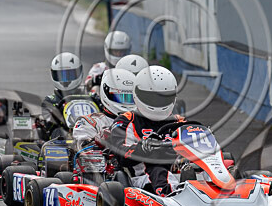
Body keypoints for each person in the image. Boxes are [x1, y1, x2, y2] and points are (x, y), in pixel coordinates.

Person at [108, 66, 182, 196]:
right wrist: (142, 148)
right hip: (143, 178)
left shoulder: (178, 121)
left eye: (163, 98)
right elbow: (120, 153)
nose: (158, 102)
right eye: (152, 98)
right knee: (158, 169)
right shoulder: (126, 120)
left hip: (178, 168)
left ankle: (214, 190)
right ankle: (175, 195)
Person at [72, 68, 136, 149]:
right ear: (106, 93)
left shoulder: (141, 122)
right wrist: (100, 141)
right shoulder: (89, 122)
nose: (125, 102)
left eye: (130, 98)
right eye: (120, 97)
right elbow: (82, 148)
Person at [41, 52, 90, 138]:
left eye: (70, 75)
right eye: (61, 76)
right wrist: (58, 111)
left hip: (89, 135)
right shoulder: (50, 101)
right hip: (63, 139)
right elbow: (48, 127)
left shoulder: (91, 97)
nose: (65, 80)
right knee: (58, 132)